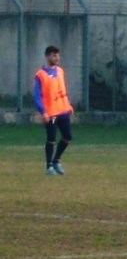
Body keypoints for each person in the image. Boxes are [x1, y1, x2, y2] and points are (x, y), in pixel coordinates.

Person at [34, 45, 74, 176]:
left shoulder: (60, 71)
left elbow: (63, 90)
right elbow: (37, 95)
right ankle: (49, 166)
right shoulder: (41, 75)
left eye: (57, 55)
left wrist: (68, 106)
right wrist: (43, 111)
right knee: (51, 138)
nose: (56, 58)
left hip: (62, 110)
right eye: (53, 55)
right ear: (47, 57)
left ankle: (56, 160)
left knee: (68, 136)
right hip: (51, 113)